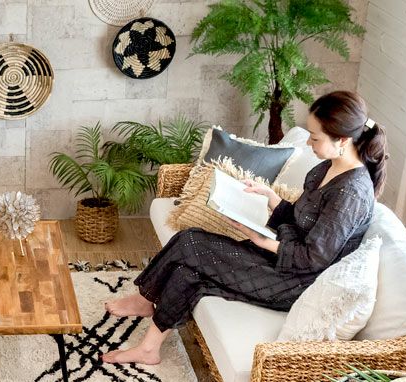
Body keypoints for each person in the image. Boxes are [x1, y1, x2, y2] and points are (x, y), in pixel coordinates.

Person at [102, 90, 389, 365]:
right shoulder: (329, 165)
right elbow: (304, 220)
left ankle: (144, 298)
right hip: (281, 257)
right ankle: (149, 349)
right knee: (188, 271)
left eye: (314, 138)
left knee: (190, 242)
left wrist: (264, 242)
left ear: (342, 139)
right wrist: (272, 198)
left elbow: (314, 258)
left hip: (296, 281)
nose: (309, 143)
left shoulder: (351, 192)